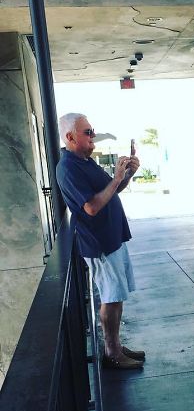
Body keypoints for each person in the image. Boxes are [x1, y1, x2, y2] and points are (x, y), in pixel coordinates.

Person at [56, 113, 145, 369]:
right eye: (88, 132)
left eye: (92, 130)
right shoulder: (68, 167)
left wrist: (127, 175)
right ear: (70, 137)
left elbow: (111, 192)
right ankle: (112, 353)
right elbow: (91, 207)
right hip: (100, 244)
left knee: (117, 296)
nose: (93, 135)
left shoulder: (84, 161)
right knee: (111, 296)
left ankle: (115, 345)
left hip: (112, 238)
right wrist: (116, 178)